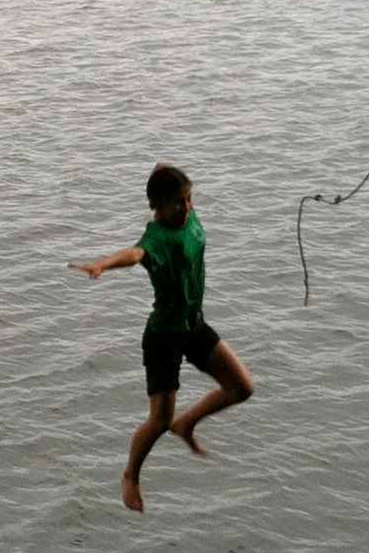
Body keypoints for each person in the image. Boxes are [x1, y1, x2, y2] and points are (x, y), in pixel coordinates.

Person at [70, 160, 254, 512]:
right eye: (178, 203)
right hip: (164, 337)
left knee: (242, 387)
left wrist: (163, 169)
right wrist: (102, 265)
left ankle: (186, 424)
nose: (186, 208)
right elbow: (134, 254)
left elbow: (165, 171)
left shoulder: (191, 216)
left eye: (189, 199)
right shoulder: (156, 237)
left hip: (193, 325)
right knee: (159, 421)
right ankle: (130, 476)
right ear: (157, 207)